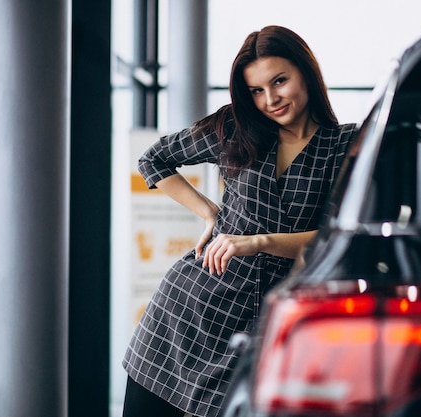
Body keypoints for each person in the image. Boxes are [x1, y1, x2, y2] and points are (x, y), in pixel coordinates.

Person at [122, 25, 360, 417]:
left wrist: (259, 241)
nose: (270, 99)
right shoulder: (236, 128)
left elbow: (337, 237)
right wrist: (209, 212)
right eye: (256, 90)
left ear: (306, 71)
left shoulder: (344, 146)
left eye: (280, 81)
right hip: (187, 312)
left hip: (265, 325)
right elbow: (153, 159)